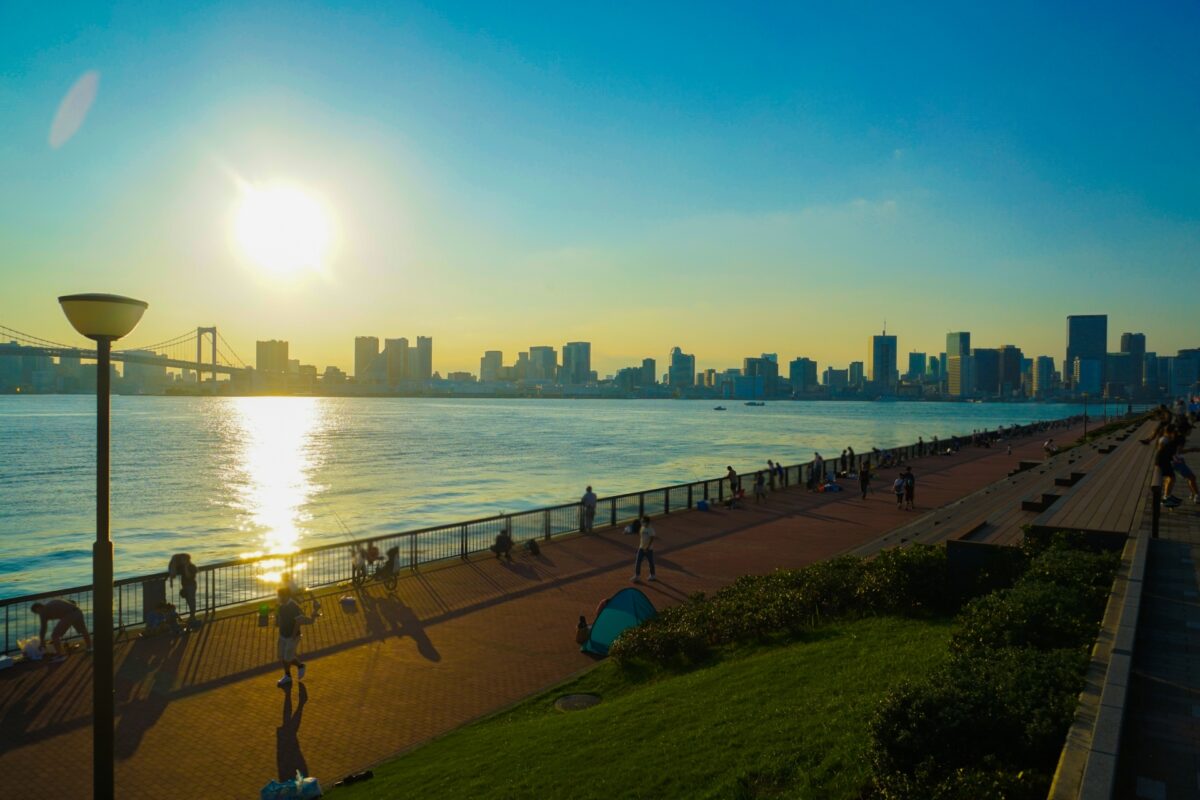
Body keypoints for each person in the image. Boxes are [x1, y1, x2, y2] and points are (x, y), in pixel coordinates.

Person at [276, 587, 313, 688]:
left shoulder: (293, 606)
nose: (279, 597)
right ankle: (300, 666)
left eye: (280, 596)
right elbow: (280, 617)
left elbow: (298, 621)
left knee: (287, 658)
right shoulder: (281, 605)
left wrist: (293, 635)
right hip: (283, 635)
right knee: (282, 656)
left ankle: (287, 676)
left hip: (292, 637)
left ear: (286, 596)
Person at [167, 553, 198, 625]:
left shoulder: (192, 567)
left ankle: (192, 616)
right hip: (185, 586)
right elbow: (173, 573)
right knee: (189, 601)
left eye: (183, 559)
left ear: (187, 560)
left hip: (191, 586)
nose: (182, 561)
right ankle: (192, 616)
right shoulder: (182, 567)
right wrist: (173, 563)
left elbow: (188, 576)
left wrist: (186, 567)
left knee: (191, 600)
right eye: (181, 560)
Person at [632, 516, 656, 582]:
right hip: (641, 548)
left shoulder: (650, 529)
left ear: (647, 522)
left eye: (643, 521)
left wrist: (647, 547)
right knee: (638, 562)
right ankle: (637, 576)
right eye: (641, 521)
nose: (642, 522)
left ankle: (653, 575)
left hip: (649, 549)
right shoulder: (642, 528)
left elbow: (652, 538)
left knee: (650, 562)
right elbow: (641, 536)